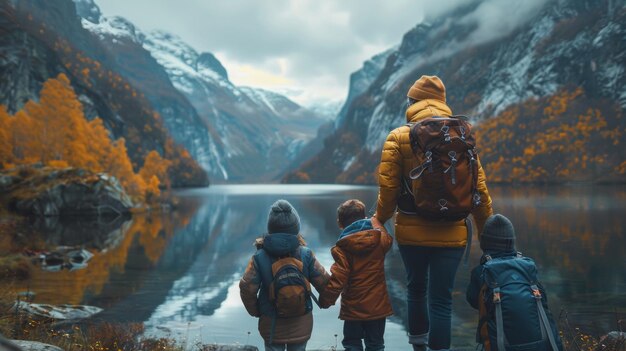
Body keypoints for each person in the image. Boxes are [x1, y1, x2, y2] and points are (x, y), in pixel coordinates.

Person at [373, 75, 494, 351]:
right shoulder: (461, 135)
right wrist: (487, 232)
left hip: (411, 231)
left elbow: (388, 188)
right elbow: (479, 189)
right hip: (453, 231)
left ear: (412, 101)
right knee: (441, 299)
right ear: (442, 102)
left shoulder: (398, 136)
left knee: (416, 289)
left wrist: (379, 219)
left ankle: (418, 347)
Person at [239, 199, 329, 351]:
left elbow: (247, 287)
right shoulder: (306, 254)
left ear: (271, 228)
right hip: (301, 321)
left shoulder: (259, 257)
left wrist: (256, 311)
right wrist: (325, 302)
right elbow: (325, 284)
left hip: (271, 323)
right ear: (296, 228)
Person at [466, 214, 563, 351]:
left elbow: (472, 300)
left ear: (484, 243)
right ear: (512, 242)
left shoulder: (482, 271)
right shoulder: (528, 267)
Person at [319, 199, 394, 351]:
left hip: (353, 310)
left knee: (352, 345)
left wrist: (326, 300)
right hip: (377, 308)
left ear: (340, 223)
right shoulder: (379, 241)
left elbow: (338, 279)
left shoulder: (343, 249)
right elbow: (386, 237)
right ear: (365, 218)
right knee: (376, 345)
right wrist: (374, 220)